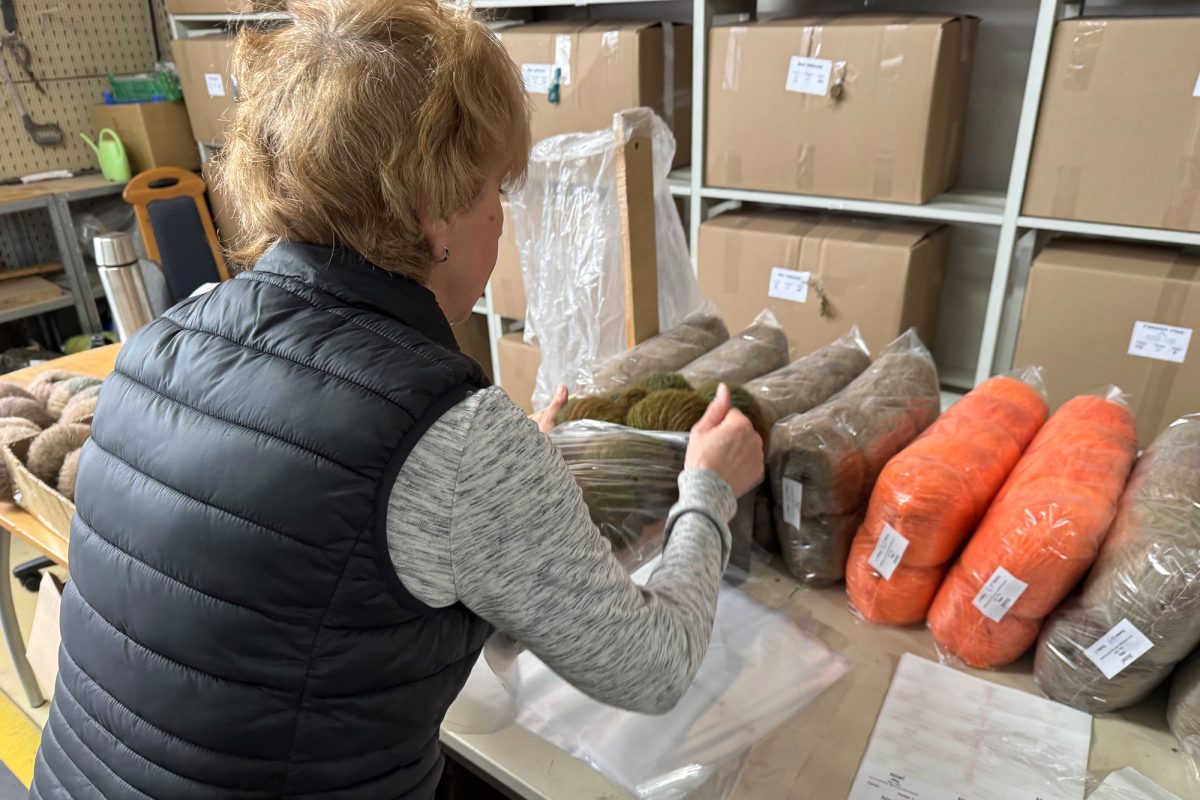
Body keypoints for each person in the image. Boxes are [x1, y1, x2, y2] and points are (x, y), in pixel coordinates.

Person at [29, 2, 763, 798]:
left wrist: (514, 481)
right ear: (436, 212)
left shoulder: (160, 345)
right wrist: (710, 488)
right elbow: (651, 671)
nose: (501, 220)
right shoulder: (452, 436)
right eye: (495, 190)